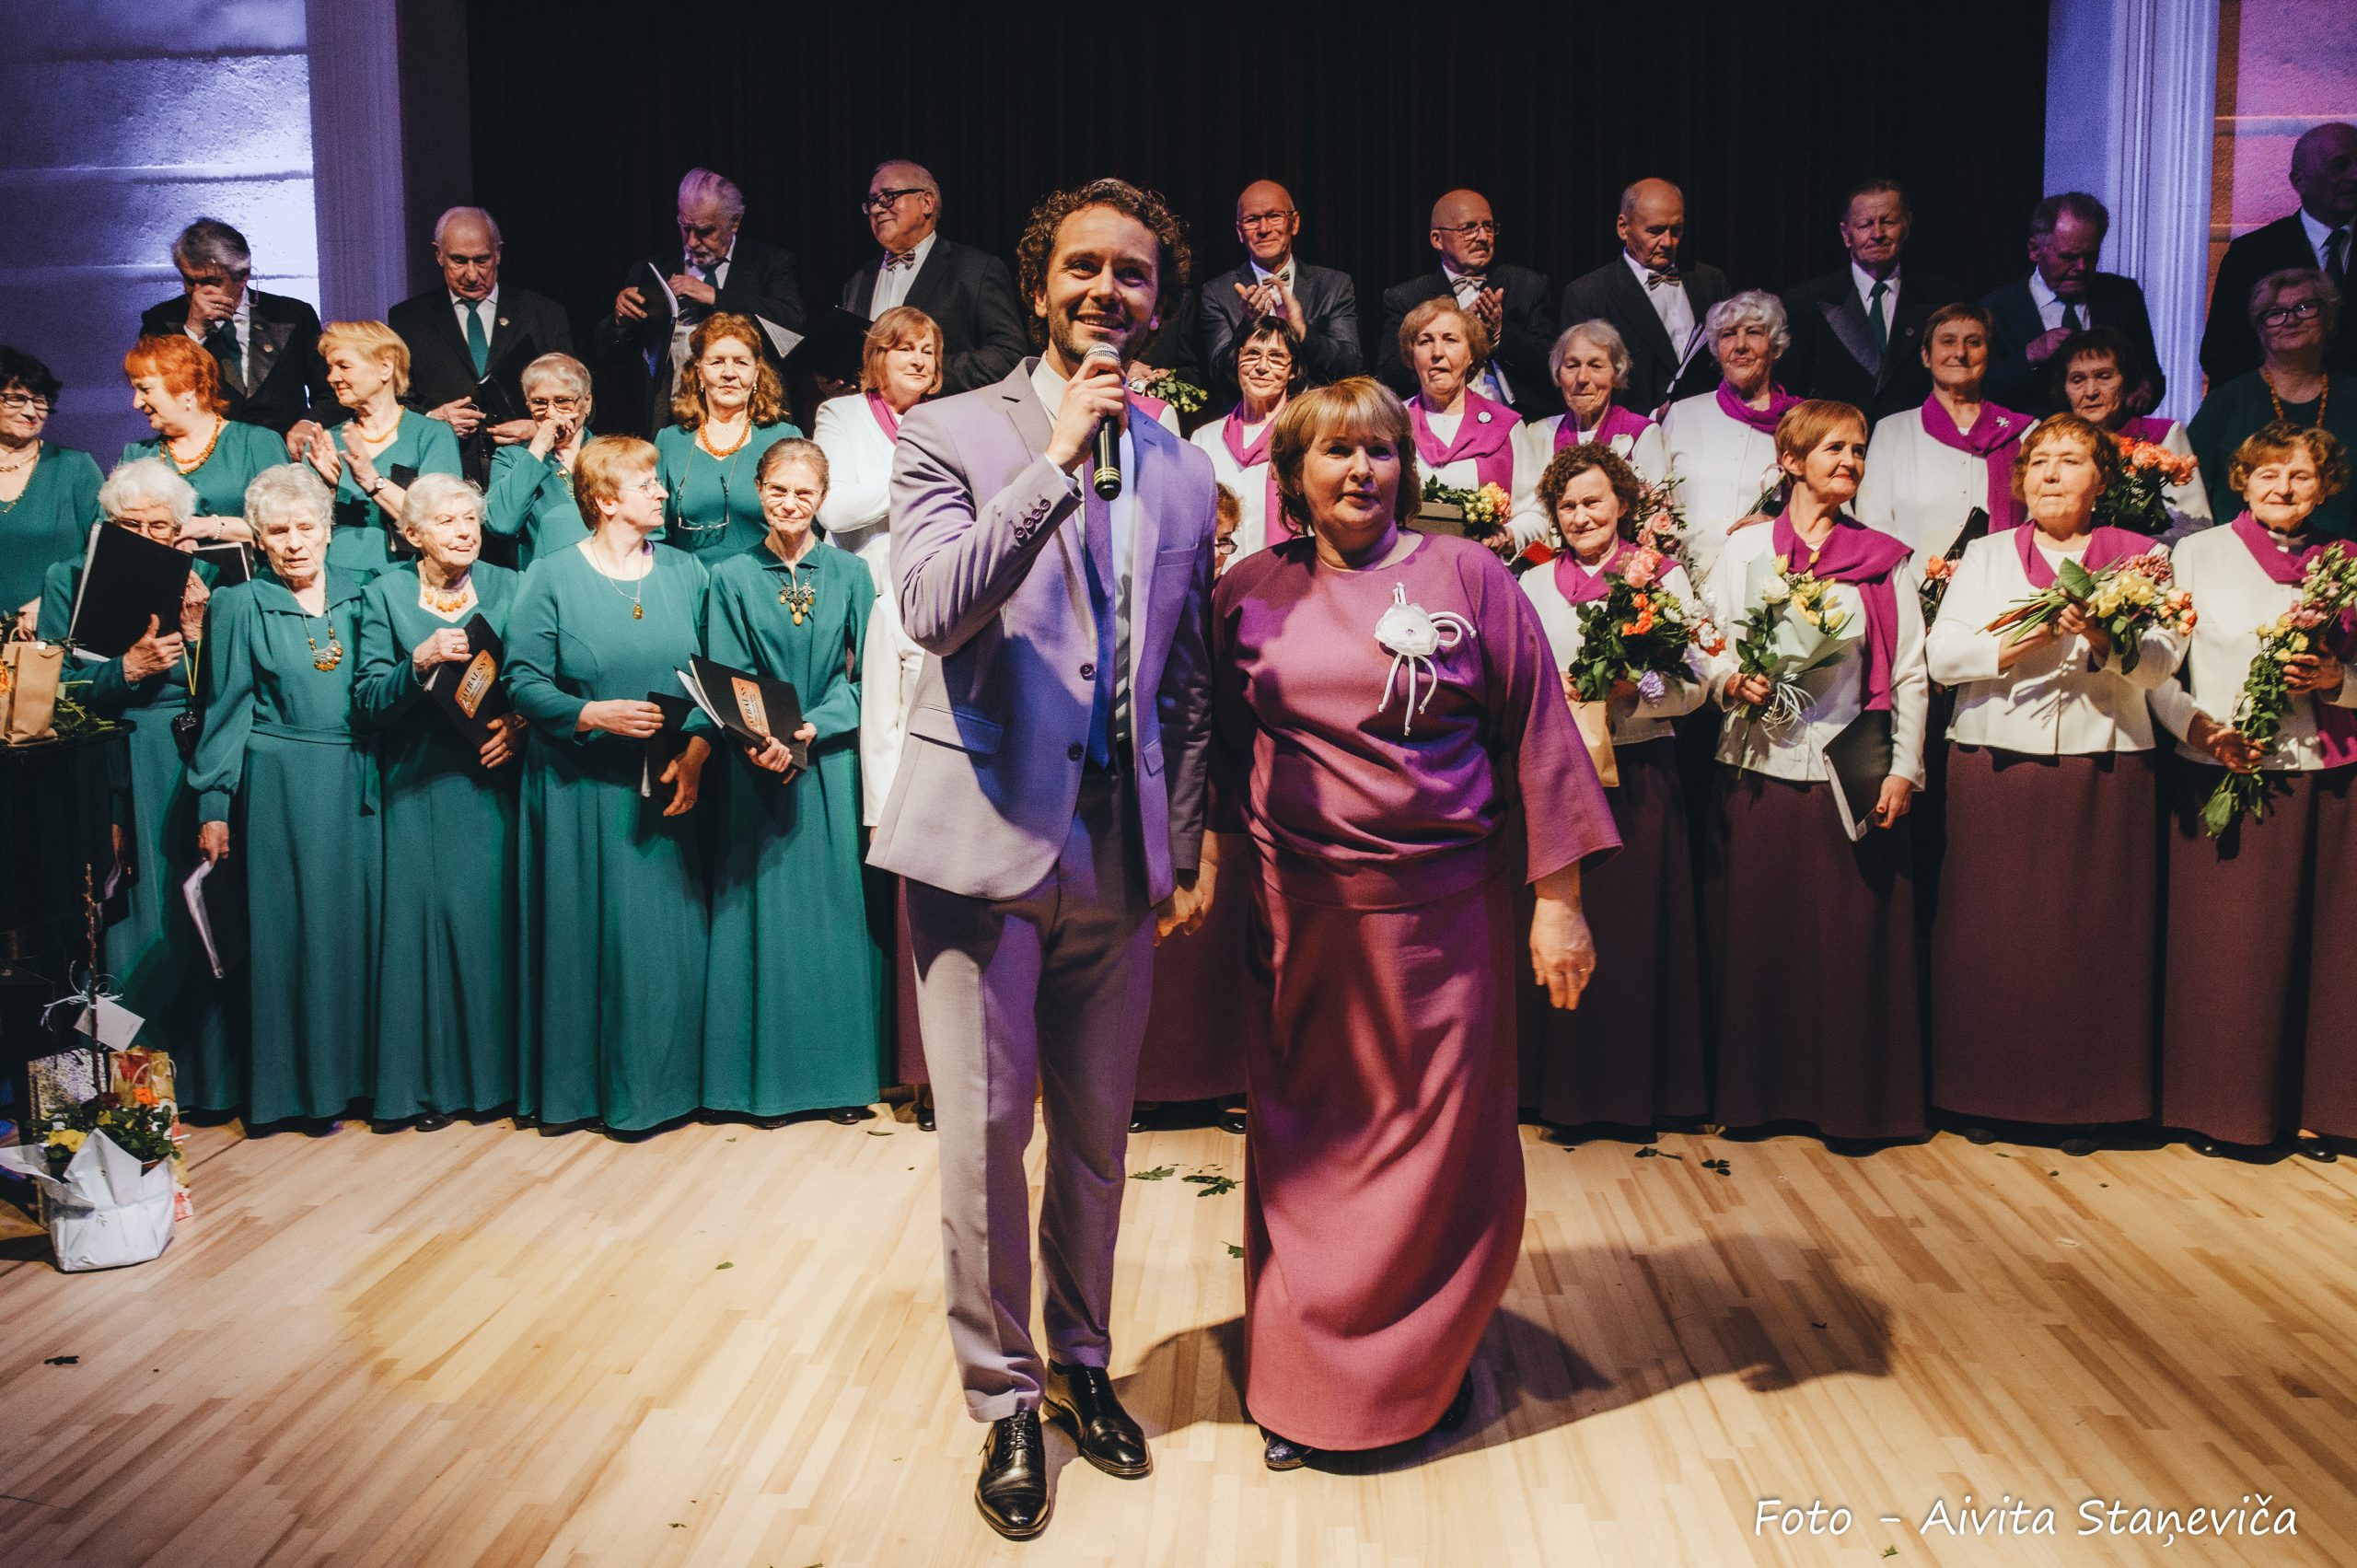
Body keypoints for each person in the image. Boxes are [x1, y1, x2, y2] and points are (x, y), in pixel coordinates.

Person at [870, 178, 1217, 1541]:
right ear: (1039, 287)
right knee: (984, 1141)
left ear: (1157, 302)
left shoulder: (1185, 467)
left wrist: (1182, 838)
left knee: (1097, 1140)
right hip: (981, 844)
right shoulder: (950, 431)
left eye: (1132, 273)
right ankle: (1004, 1397)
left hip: (1118, 851)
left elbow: (1186, 678)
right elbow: (932, 607)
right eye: (1082, 267)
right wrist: (1055, 458)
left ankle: (1081, 1359)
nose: (1105, 291)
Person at [1209, 377, 1614, 1467]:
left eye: (1380, 450)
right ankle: (1302, 1383)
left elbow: (1541, 736)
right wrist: (1196, 862)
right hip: (1301, 924)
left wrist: (1560, 902)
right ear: (1291, 473)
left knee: (1437, 1158)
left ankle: (1417, 1373)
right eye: (1335, 451)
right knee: (1310, 1157)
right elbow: (1212, 747)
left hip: (1444, 925)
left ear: (1407, 466)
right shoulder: (1247, 591)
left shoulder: (1470, 577)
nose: (1360, 470)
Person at [1923, 413, 2184, 1151]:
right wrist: (2026, 637)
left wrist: (2101, 634)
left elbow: (2161, 665)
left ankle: (2086, 1101)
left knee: (2094, 937)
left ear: (2101, 481)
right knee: (1992, 935)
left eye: (2070, 460)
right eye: (2039, 461)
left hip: (2106, 766)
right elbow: (1943, 656)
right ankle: (1981, 1092)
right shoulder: (1985, 554)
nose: (2050, 473)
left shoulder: (2144, 558)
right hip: (1996, 762)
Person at [1701, 400, 1929, 1148]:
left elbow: (1911, 672)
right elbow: (1707, 638)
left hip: (1847, 766)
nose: (1850, 461)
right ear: (1791, 461)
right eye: (1833, 448)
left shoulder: (1884, 558)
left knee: (1849, 946)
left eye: (1858, 450)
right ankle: (1754, 1099)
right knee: (1760, 940)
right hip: (1757, 763)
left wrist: (1905, 768)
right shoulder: (1744, 550)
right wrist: (1728, 679)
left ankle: (1854, 1106)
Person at [2151, 424, 2357, 1160]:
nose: (2284, 488)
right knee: (2232, 952)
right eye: (2268, 474)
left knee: (2324, 952)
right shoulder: (2197, 554)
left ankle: (2318, 1109)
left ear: (2325, 487)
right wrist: (2201, 730)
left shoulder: (2346, 561)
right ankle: (2222, 1110)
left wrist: (2339, 679)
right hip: (2225, 768)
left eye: (2301, 476)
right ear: (2241, 481)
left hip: (2327, 776)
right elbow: (2156, 670)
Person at [505, 436, 714, 1135]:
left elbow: (716, 678)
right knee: (585, 943)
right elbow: (522, 681)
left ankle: (664, 1091)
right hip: (579, 792)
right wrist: (590, 713)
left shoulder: (687, 571)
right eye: (646, 483)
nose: (662, 492)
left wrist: (697, 752)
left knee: (660, 946)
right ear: (603, 499)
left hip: (665, 786)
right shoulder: (550, 575)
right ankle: (578, 1094)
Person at [1516, 442, 1705, 1132]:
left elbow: (1692, 683)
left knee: (1631, 932)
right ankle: (1553, 1093)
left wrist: (1635, 687)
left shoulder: (1660, 577)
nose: (1580, 516)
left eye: (1592, 501)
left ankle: (1634, 1095)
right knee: (1560, 929)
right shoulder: (1533, 583)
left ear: (1622, 503)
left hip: (1640, 774)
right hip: (1554, 781)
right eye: (1566, 505)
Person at [190, 464, 378, 1129]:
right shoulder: (238, 604)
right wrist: (214, 804)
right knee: (291, 932)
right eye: (277, 531)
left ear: (327, 529)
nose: (294, 542)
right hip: (281, 785)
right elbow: (226, 711)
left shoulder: (366, 592)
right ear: (258, 538)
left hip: (360, 776)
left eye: (305, 527)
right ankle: (298, 1091)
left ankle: (361, 1083)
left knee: (357, 929)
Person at [702, 439, 882, 1124]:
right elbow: (727, 670)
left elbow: (870, 678)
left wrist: (813, 727)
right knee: (763, 919)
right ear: (759, 491)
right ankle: (761, 1089)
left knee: (831, 919)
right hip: (757, 761)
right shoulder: (730, 575)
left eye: (804, 492)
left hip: (828, 761)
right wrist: (762, 739)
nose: (790, 503)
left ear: (822, 498)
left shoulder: (851, 574)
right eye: (778, 490)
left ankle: (839, 1083)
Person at [36, 459, 225, 1105]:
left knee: (197, 918)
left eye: (159, 526)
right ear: (106, 526)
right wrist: (124, 670)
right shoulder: (68, 578)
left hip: (191, 759)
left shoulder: (206, 579)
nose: (146, 537)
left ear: (180, 530)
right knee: (124, 926)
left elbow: (231, 686)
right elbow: (51, 692)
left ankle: (209, 1086)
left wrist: (197, 636)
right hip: (113, 764)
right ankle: (131, 1096)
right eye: (130, 525)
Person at [352, 472, 528, 1132]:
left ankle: (501, 1085)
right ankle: (431, 1090)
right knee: (423, 940)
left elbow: (537, 678)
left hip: (494, 785)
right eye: (447, 521)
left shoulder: (511, 586)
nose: (463, 531)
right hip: (419, 786)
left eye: (470, 519)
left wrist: (520, 727)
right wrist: (418, 662)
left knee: (493, 931)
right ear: (412, 534)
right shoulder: (385, 594)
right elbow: (367, 700)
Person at [596, 168, 806, 432]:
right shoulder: (653, 270)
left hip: (753, 419)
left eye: (705, 231)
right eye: (686, 228)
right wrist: (620, 321)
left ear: (734, 222)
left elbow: (791, 320)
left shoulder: (769, 263)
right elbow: (610, 355)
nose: (693, 242)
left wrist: (715, 296)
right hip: (675, 422)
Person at [385, 205, 574, 484]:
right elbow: (392, 402)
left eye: (482, 260)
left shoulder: (542, 314)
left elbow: (579, 401)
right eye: (459, 261)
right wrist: (432, 418)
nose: (472, 275)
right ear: (438, 254)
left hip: (529, 472)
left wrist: (539, 428)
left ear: (498, 253)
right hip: (444, 475)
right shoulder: (408, 319)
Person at [1852, 302, 2034, 563]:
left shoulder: (2023, 434)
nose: (1960, 353)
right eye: (1948, 342)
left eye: (1974, 343)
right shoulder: (1892, 432)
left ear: (1989, 355)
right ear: (1926, 356)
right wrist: (1908, 586)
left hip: (2001, 583)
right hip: (1912, 586)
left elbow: (2036, 523)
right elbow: (1874, 525)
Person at [1777, 178, 1966, 423]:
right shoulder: (1805, 301)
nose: (1878, 234)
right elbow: (1791, 392)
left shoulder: (1943, 298)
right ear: (1846, 234)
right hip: (1835, 440)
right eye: (1865, 224)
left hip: (1918, 437)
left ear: (1906, 226)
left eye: (1888, 222)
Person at [2189, 270, 2356, 539]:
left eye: (2306, 307)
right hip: (2237, 554)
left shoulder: (2352, 396)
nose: (2291, 320)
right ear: (2259, 330)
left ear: (2329, 319)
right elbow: (2188, 494)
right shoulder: (2225, 401)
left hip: (2345, 556)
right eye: (2275, 313)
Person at [294, 320, 464, 577]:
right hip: (338, 581)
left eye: (343, 366)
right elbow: (300, 528)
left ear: (385, 367)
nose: (332, 378)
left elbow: (441, 521)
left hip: (408, 579)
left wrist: (372, 480)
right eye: (330, 368)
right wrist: (327, 489)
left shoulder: (431, 435)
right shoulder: (325, 442)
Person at [839, 161, 1025, 395]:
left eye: (888, 197)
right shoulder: (860, 280)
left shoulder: (977, 269)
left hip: (945, 413)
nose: (876, 209)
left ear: (927, 202)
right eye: (872, 202)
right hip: (868, 415)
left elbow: (1008, 356)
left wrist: (924, 371)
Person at [136, 218, 334, 436]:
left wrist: (309, 423)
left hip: (283, 449)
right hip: (207, 450)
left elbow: (330, 394)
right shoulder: (161, 320)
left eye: (210, 282)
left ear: (242, 277)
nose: (197, 292)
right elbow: (161, 393)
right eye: (189, 281)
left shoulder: (295, 315)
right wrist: (194, 329)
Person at [1658, 292, 1799, 584]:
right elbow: (1654, 502)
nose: (1740, 345)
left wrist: (1783, 525)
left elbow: (1828, 510)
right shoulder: (1683, 415)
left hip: (1765, 584)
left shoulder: (1799, 422)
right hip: (1682, 585)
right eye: (1728, 335)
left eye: (1754, 332)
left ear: (1774, 347)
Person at [2201, 122, 2357, 385]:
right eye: (2339, 165)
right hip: (2277, 406)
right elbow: (2221, 354)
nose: (2354, 175)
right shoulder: (2251, 255)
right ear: (2299, 181)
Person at [1559, 179, 1731, 415]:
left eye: (1676, 230)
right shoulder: (1588, 294)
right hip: (1636, 428)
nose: (1668, 242)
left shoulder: (1710, 281)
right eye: (1655, 231)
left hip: (1711, 419)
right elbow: (1584, 382)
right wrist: (1652, 416)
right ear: (1623, 227)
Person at [1982, 192, 2163, 416]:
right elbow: (1982, 394)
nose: (2081, 267)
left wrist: (2145, 387)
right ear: (2034, 249)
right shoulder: (1996, 309)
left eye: (2091, 256)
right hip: (2033, 435)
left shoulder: (2123, 296)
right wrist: (2029, 356)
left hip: (2111, 434)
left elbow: (2153, 378)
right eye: (2068, 257)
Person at [1378, 189, 1554, 415]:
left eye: (1488, 227)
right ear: (1437, 239)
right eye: (1469, 229)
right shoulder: (1407, 297)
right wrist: (1456, 328)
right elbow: (1390, 376)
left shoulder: (1525, 285)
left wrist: (1499, 337)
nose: (1483, 237)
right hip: (1436, 417)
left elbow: (1552, 366)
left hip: (1517, 417)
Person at [812, 306, 942, 588]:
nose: (919, 361)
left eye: (928, 351)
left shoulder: (947, 421)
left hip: (933, 583)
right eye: (906, 349)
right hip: (865, 585)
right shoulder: (841, 414)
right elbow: (832, 510)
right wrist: (916, 482)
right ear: (879, 356)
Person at [654, 313, 802, 560]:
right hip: (691, 581)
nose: (729, 373)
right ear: (699, 372)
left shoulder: (784, 439)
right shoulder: (670, 442)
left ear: (756, 373)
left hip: (762, 579)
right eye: (717, 362)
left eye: (741, 363)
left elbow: (801, 529)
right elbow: (654, 531)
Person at [1198, 180, 1362, 397]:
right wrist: (1248, 324)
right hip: (1248, 412)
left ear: (1294, 223)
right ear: (1240, 231)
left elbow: (1350, 366)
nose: (1264, 229)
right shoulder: (1218, 292)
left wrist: (1302, 332)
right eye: (1252, 220)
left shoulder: (1333, 285)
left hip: (1316, 412)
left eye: (1274, 216)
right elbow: (1218, 376)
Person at [1508, 320, 1666, 543]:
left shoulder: (1642, 433)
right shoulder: (1538, 433)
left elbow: (1655, 522)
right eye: (1572, 366)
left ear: (1616, 374)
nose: (1582, 378)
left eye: (1596, 366)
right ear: (1558, 374)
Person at [2052, 325, 2212, 535]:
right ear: (2064, 388)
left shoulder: (2162, 435)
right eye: (2078, 380)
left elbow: (2194, 525)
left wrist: (2143, 550)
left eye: (2104, 376)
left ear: (2127, 382)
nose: (2091, 392)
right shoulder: (2051, 443)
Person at [1399, 296, 1527, 555]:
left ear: (1471, 355)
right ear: (1412, 355)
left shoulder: (1506, 426)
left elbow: (1534, 513)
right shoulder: (1393, 423)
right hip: (1406, 567)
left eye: (1450, 340)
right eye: (1425, 341)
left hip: (1482, 566)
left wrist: (1508, 536)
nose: (1437, 352)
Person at [121, 334, 281, 530]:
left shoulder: (257, 444)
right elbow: (110, 530)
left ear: (186, 387)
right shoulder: (137, 455)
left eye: (145, 389)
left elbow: (287, 524)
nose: (136, 403)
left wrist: (206, 527)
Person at [1, 347, 102, 634]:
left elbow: (105, 551)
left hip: (50, 635)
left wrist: (51, 598)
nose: (30, 412)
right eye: (16, 398)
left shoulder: (75, 468)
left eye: (40, 401)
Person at [1190, 315, 1298, 559]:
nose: (1262, 367)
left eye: (1276, 357)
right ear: (1237, 359)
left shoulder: (1305, 436)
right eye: (1252, 354)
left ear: (1293, 370)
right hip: (1219, 575)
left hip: (1288, 572)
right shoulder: (1204, 439)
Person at [483, 353, 597, 569]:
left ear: (587, 401)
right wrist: (538, 448)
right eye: (539, 403)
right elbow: (501, 524)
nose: (551, 413)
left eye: (562, 401)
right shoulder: (512, 458)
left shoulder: (612, 454)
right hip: (550, 581)